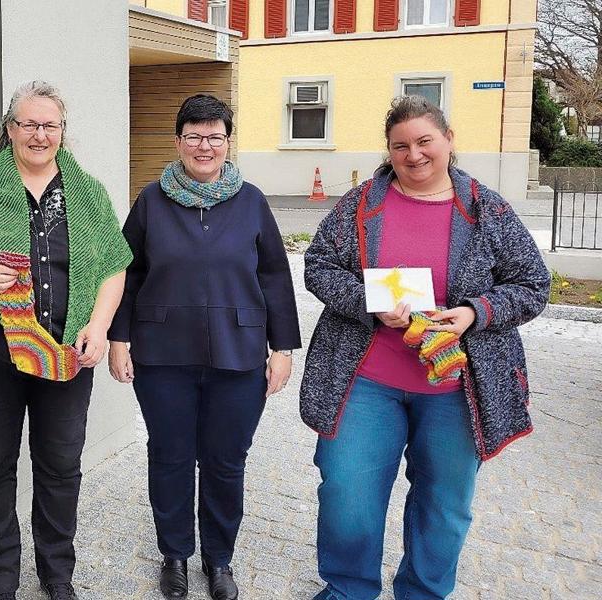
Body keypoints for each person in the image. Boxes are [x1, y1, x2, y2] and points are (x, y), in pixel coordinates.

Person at [300, 95, 550, 600]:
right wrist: (369, 302)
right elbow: (319, 266)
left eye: (423, 141)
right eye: (400, 146)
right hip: (366, 379)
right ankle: (348, 589)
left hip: (454, 389)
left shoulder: (487, 210)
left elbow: (532, 285)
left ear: (448, 140)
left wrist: (474, 313)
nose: (413, 155)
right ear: (388, 151)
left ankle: (423, 592)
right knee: (347, 493)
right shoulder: (362, 204)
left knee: (444, 504)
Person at [0, 80, 132, 600]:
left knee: (60, 468)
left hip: (66, 353)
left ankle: (57, 577)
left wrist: (100, 325)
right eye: (29, 124)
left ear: (63, 131)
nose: (39, 134)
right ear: (10, 130)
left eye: (50, 125)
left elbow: (113, 266)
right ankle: (0, 582)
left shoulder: (87, 194)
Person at [107, 94, 301, 600]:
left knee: (224, 461)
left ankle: (219, 559)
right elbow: (127, 274)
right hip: (162, 354)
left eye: (215, 136)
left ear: (228, 142)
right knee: (170, 456)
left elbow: (275, 275)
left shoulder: (252, 201)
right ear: (178, 142)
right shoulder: (151, 200)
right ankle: (174, 554)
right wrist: (118, 338)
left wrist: (281, 348)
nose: (204, 145)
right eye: (193, 135)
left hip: (238, 357)